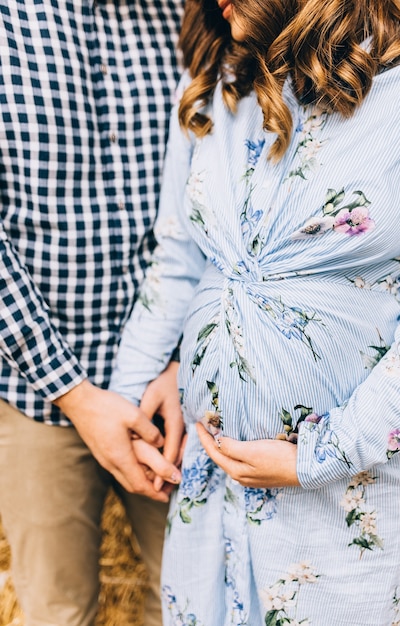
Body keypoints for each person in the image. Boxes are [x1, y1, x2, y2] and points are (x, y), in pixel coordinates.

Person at [109, 0, 400, 623]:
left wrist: (320, 454)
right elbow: (182, 260)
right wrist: (133, 391)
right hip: (212, 487)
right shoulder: (220, 82)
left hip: (350, 495)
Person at [0, 1, 185, 625]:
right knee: (58, 612)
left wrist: (186, 360)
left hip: (171, 393)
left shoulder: (190, 20)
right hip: (39, 391)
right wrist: (74, 393)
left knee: (197, 604)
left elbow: (221, 199)